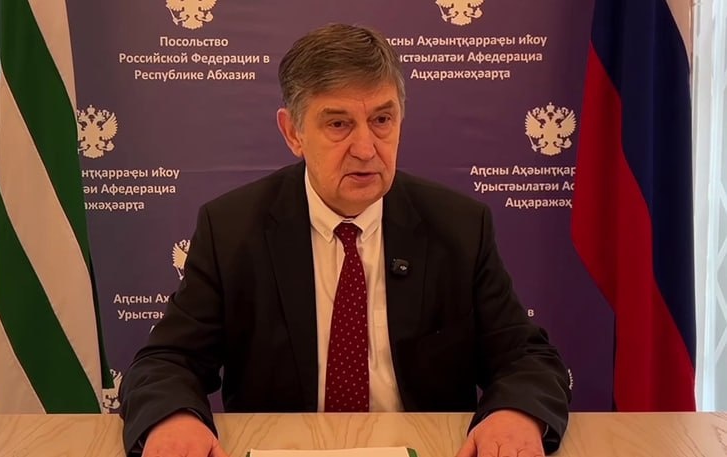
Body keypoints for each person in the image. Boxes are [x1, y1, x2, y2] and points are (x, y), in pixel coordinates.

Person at [118, 23, 571, 457]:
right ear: (293, 132)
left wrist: (515, 413)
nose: (366, 148)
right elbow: (167, 361)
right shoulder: (232, 229)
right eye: (338, 124)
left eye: (382, 120)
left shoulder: (459, 227)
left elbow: (526, 358)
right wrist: (173, 418)